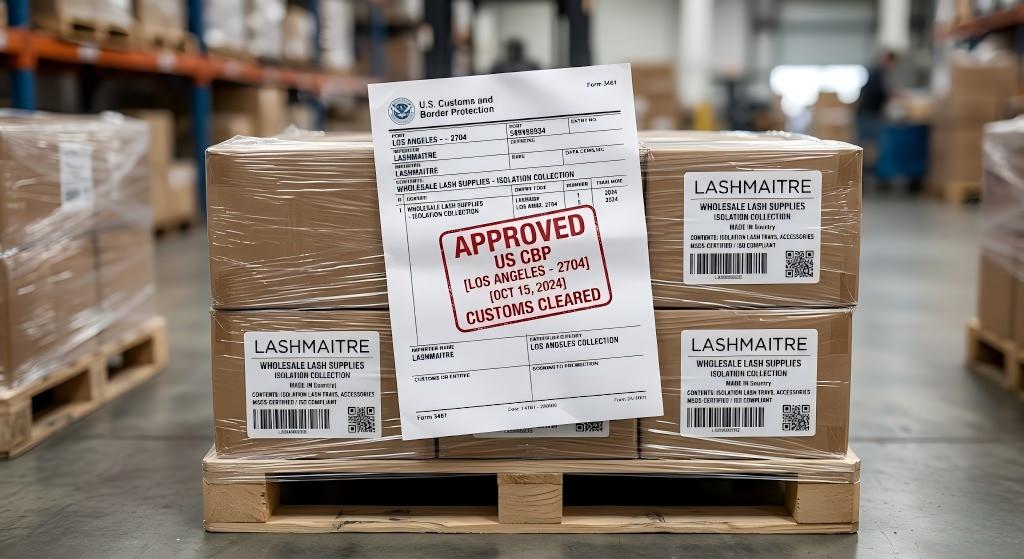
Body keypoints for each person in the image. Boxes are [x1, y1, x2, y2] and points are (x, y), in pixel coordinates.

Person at [857, 50, 897, 147]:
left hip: (871, 113)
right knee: (868, 144)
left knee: (870, 143)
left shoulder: (880, 73)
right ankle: (866, 162)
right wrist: (893, 94)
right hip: (868, 114)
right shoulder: (877, 72)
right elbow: (879, 91)